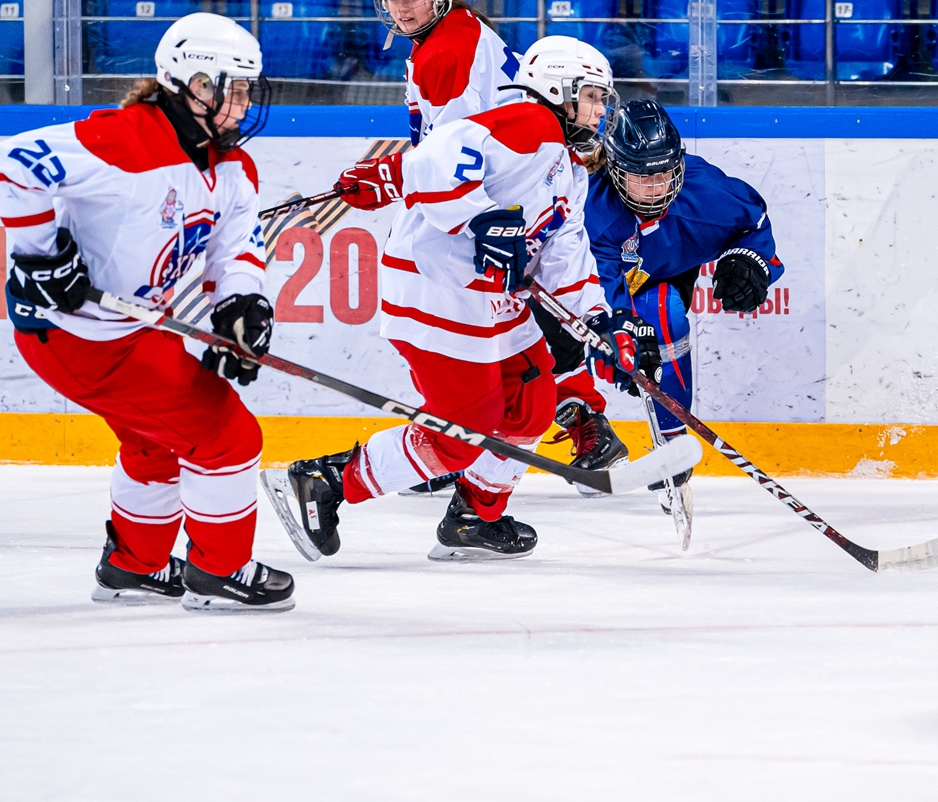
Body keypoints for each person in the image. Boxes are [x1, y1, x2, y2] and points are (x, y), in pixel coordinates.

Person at [264, 54, 659, 561]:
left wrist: (601, 322)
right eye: (592, 96)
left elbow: (565, 254)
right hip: (436, 288)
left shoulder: (567, 166)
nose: (600, 110)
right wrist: (480, 218)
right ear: (559, 90)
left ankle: (475, 515)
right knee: (464, 432)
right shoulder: (529, 122)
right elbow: (441, 154)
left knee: (533, 400)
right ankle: (328, 480)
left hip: (491, 299)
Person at [0, 14, 291, 611]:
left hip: (127, 329)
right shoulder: (128, 140)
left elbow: (238, 246)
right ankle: (219, 571)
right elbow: (8, 162)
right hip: (77, 335)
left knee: (156, 442)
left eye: (251, 88)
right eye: (236, 87)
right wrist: (42, 254)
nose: (246, 103)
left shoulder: (230, 166)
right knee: (228, 438)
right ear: (195, 83)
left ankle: (135, 566)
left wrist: (242, 302)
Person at [330, 0, 633, 482]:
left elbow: (454, 154)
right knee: (513, 347)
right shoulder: (448, 37)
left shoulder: (449, 52)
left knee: (528, 335)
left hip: (514, 189)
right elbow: (451, 158)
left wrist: (443, 200)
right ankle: (560, 423)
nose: (402, 9)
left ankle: (572, 418)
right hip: (513, 192)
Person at [582, 100, 783, 508]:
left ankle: (671, 443)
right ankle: (584, 426)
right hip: (612, 286)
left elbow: (755, 223)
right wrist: (616, 331)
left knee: (665, 314)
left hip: (669, 271)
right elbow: (596, 289)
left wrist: (750, 261)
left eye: (663, 173)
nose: (656, 187)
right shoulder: (595, 211)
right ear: (616, 172)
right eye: (641, 177)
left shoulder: (705, 192)